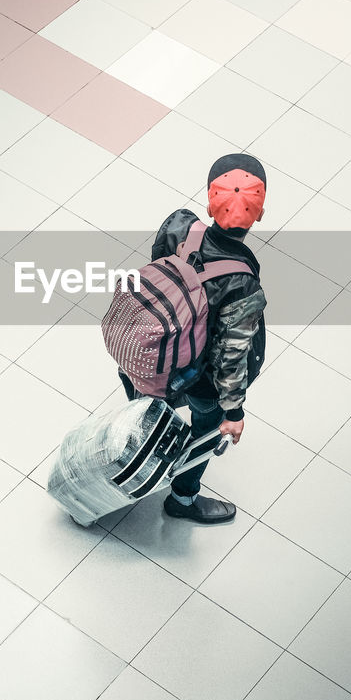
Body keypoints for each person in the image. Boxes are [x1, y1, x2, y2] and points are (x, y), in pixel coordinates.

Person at [118, 154, 268, 524]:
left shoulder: (178, 226)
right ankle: (182, 500)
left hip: (149, 347)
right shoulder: (242, 283)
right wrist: (232, 414)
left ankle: (145, 417)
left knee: (151, 398)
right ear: (259, 214)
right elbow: (230, 357)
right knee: (206, 424)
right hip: (197, 375)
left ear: (208, 203)